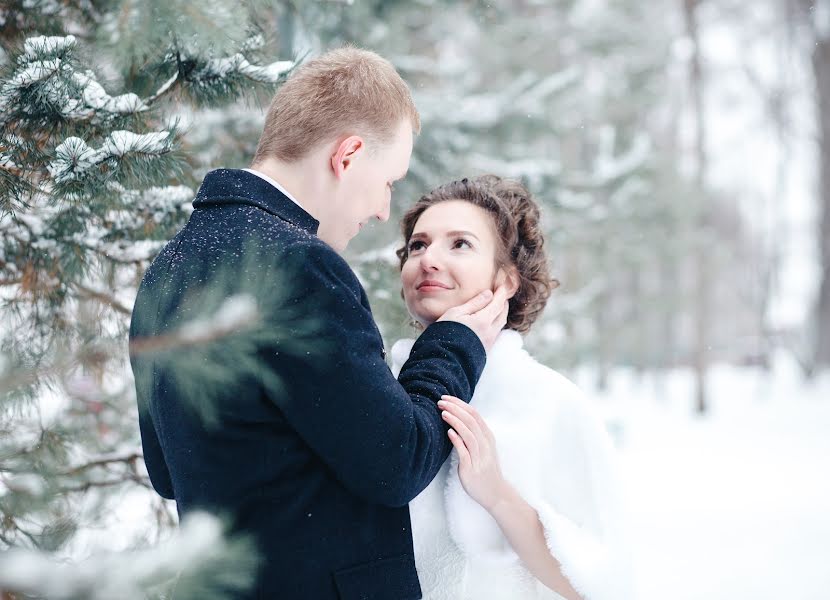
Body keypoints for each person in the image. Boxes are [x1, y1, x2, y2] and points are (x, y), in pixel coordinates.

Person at [128, 48, 509, 600]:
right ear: (348, 156)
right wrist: (455, 342)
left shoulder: (170, 265)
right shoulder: (299, 266)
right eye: (387, 181)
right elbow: (396, 462)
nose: (383, 210)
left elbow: (169, 471)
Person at [391, 175, 633, 600]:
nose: (428, 259)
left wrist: (497, 496)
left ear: (507, 280)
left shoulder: (552, 403)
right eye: (418, 245)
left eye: (459, 243)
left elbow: (602, 584)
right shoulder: (382, 390)